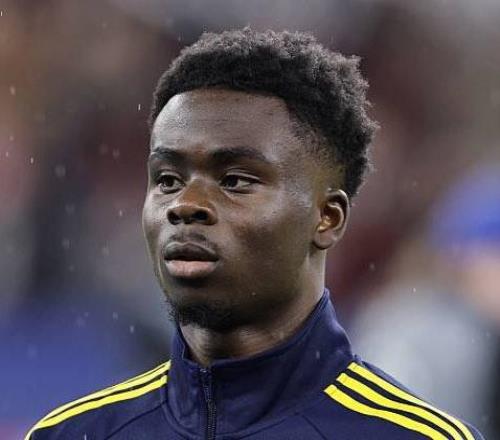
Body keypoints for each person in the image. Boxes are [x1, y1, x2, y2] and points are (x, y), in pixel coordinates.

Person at [25, 28, 484, 440]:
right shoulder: (71, 434)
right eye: (167, 179)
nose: (185, 204)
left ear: (328, 218)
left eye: (235, 180)